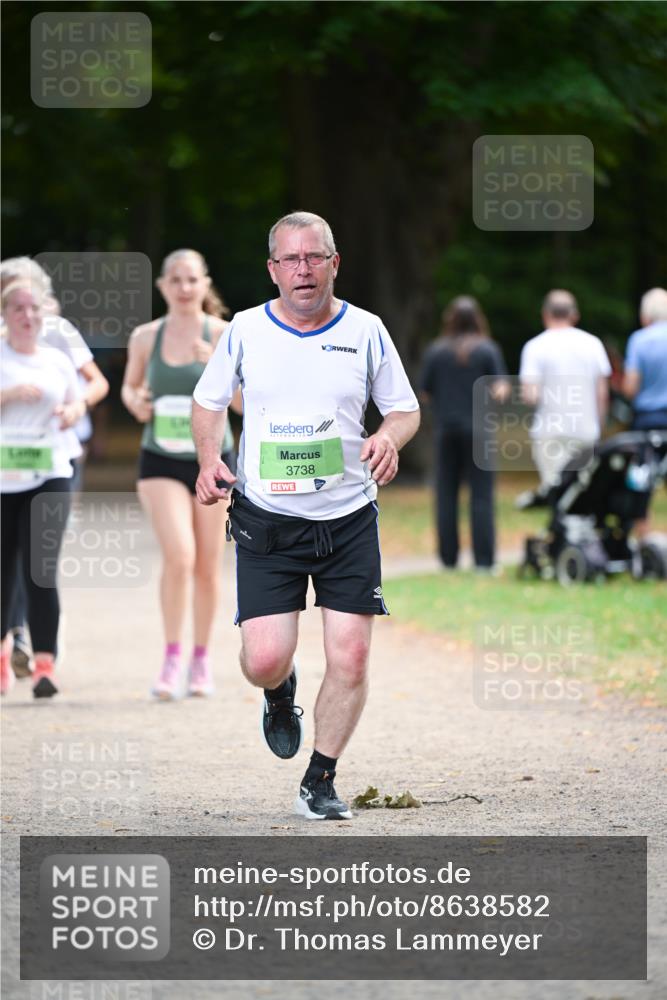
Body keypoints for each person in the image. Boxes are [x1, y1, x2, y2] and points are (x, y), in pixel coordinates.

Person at [192, 211, 420, 820]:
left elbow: (404, 409)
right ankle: (279, 689)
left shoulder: (367, 331)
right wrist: (209, 457)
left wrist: (390, 437)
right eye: (290, 259)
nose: (303, 269)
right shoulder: (244, 330)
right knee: (265, 657)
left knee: (352, 655)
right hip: (268, 519)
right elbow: (208, 402)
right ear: (272, 270)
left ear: (333, 263)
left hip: (348, 517)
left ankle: (320, 780)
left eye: (314, 257)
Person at [122, 249, 239, 700]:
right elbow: (131, 389)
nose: (185, 287)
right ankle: (171, 657)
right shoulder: (146, 337)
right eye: (176, 279)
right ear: (163, 287)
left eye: (193, 279)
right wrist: (135, 402)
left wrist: (217, 364)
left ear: (205, 284)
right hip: (160, 460)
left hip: (212, 460)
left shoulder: (225, 335)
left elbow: (247, 406)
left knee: (208, 564)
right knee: (180, 555)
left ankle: (201, 660)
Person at [0, 280, 82, 698]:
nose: (27, 316)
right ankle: (2, 656)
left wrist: (72, 410)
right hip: (3, 477)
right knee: (3, 569)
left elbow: (79, 399)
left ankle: (45, 666)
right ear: (5, 312)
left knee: (40, 569)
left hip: (50, 471)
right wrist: (8, 394)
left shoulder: (56, 358)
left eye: (33, 308)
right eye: (17, 308)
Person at [420, 296, 509, 571]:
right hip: (479, 430)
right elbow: (501, 390)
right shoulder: (487, 350)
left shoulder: (436, 351)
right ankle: (484, 561)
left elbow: (424, 392)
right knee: (481, 496)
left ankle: (448, 559)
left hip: (446, 430)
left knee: (446, 495)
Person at [520, 289, 611, 487]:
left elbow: (530, 395)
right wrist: (599, 426)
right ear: (574, 315)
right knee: (582, 493)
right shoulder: (593, 344)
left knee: (555, 492)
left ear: (545, 314)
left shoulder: (534, 347)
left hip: (549, 430)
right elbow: (602, 394)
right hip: (585, 430)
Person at [622, 287, 667, 537]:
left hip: (647, 421)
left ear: (645, 315)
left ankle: (643, 537)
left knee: (641, 480)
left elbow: (631, 387)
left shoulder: (640, 340)